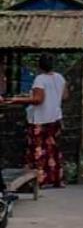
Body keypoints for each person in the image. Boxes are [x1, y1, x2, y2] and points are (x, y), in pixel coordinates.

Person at [5, 54, 68, 188]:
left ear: (39, 66)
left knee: (38, 149)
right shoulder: (59, 77)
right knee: (53, 149)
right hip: (55, 117)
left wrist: (18, 99)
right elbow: (65, 96)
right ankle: (56, 178)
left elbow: (38, 100)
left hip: (40, 118)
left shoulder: (40, 79)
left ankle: (40, 180)